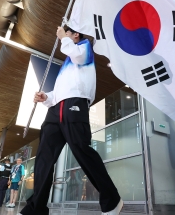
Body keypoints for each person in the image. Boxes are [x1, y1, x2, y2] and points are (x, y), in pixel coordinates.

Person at [20, 26, 122, 215]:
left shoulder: (84, 47)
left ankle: (112, 199)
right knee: (44, 158)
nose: (63, 36)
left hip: (76, 103)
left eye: (67, 33)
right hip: (56, 108)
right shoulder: (67, 61)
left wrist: (63, 38)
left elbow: (78, 57)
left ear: (76, 34)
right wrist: (47, 97)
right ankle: (36, 208)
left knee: (81, 150)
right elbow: (61, 90)